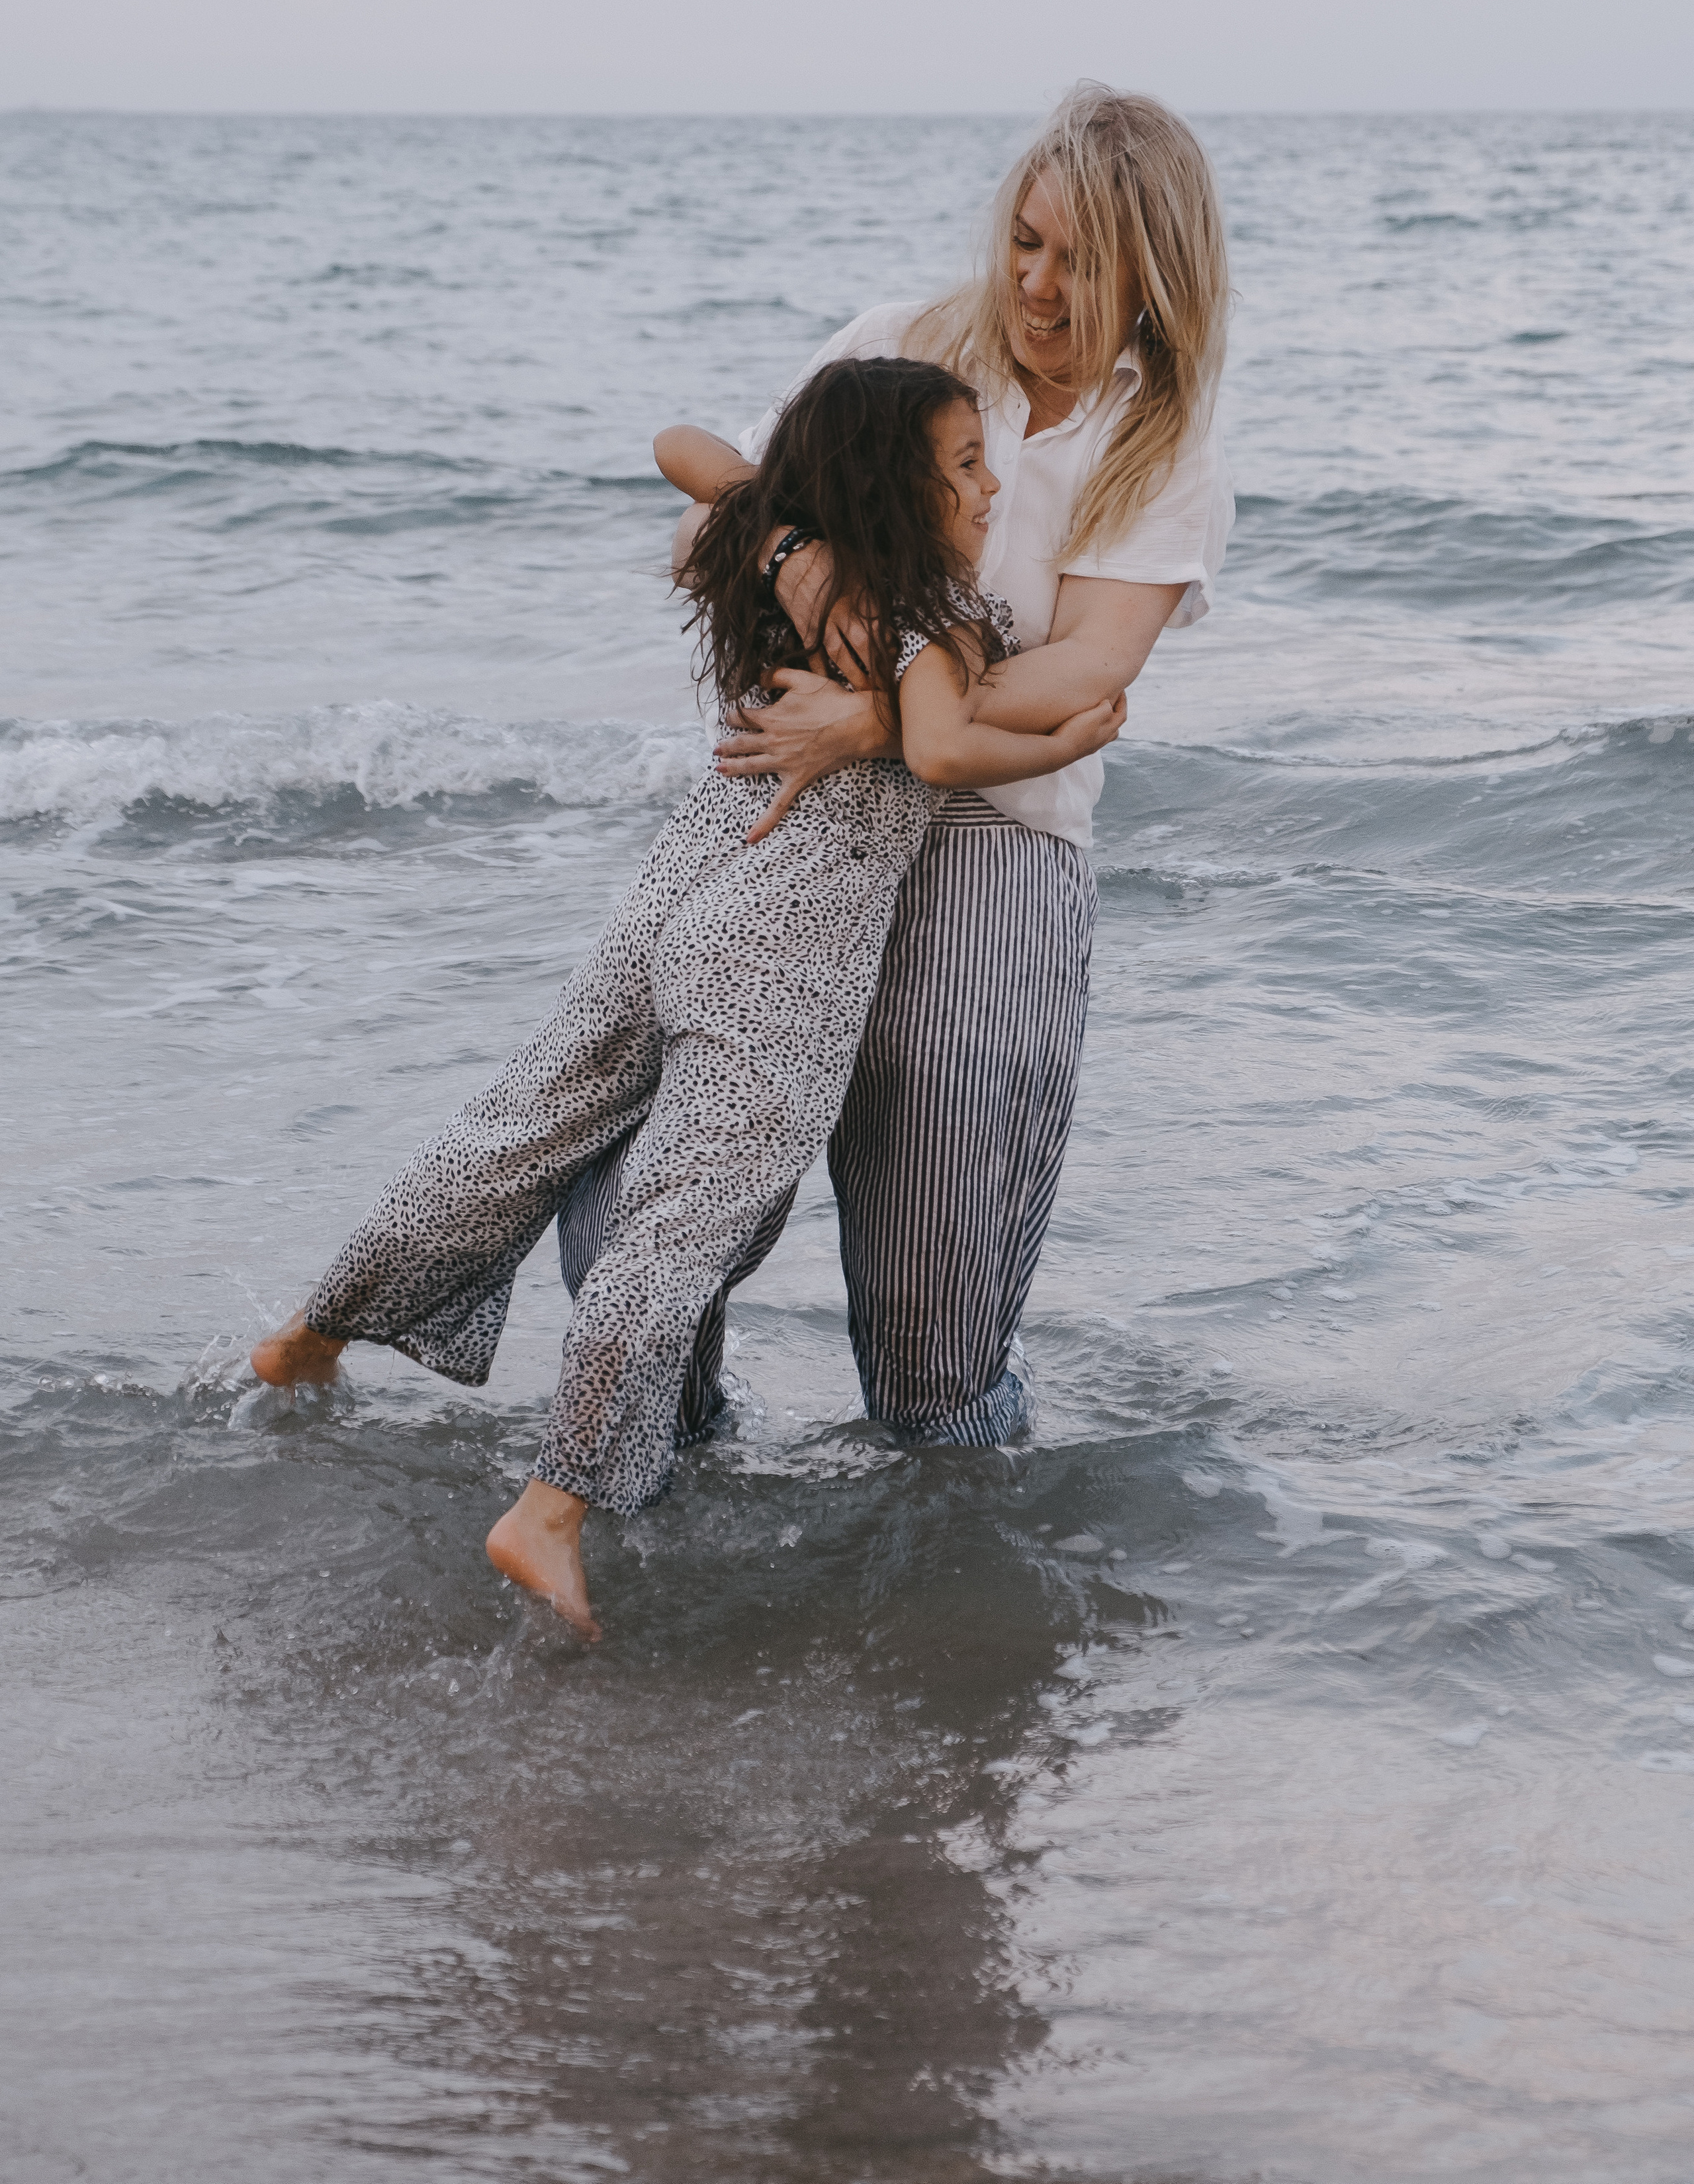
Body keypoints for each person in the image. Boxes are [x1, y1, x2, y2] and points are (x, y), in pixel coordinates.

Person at [250, 357, 1121, 1635]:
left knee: (521, 1130)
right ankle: (550, 1511)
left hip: (676, 890)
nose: (994, 488)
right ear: (898, 488)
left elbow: (678, 441)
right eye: (967, 468)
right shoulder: (928, 611)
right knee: (680, 1225)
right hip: (787, 942)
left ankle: (314, 1330)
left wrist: (784, 534)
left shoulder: (784, 566)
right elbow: (942, 749)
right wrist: (1070, 739)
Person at [557, 80, 1234, 1446]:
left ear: (1154, 272)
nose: (1037, 287)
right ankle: (653, 1485)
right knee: (629, 1194)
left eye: (1082, 261)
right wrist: (803, 564)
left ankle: (951, 1564)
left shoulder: (1160, 446)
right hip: (792, 797)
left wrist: (874, 719)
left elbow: (1089, 668)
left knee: (931, 1226)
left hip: (995, 819)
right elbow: (719, 527)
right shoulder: (897, 348)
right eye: (1025, 242)